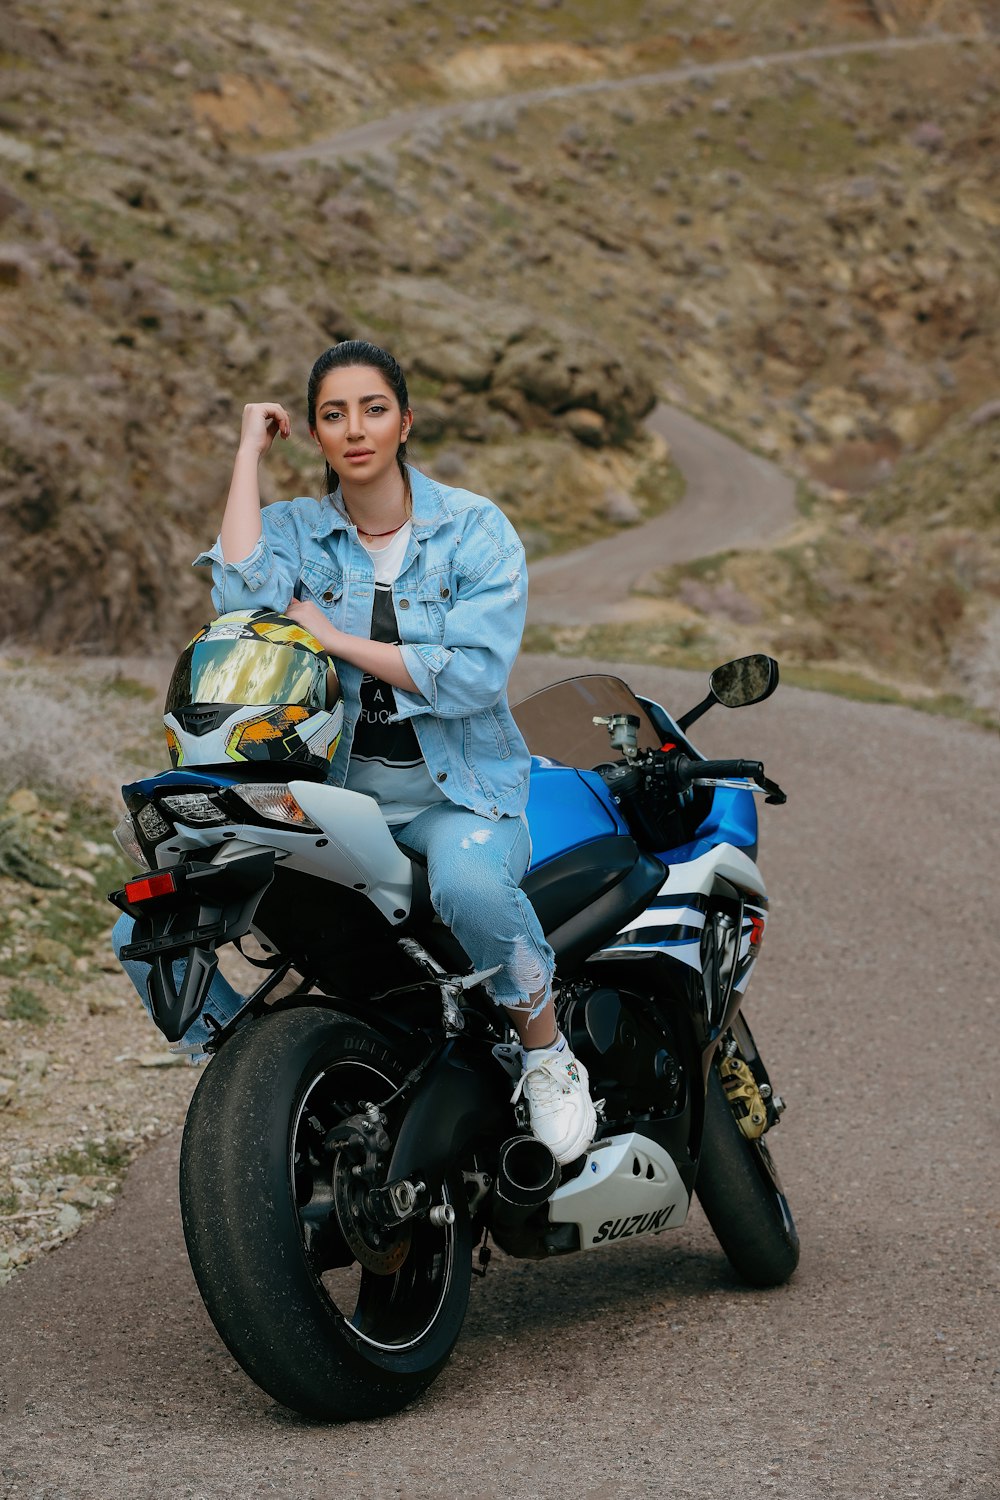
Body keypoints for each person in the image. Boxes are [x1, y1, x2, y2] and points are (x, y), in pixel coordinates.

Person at [117, 339, 597, 1166]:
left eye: (373, 409)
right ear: (315, 432)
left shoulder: (473, 530)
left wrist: (335, 638)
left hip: (458, 796)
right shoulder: (300, 530)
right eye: (333, 415)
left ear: (405, 420)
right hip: (342, 794)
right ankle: (241, 1063)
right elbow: (238, 596)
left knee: (472, 887)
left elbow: (473, 679)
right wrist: (246, 454)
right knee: (165, 894)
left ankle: (548, 1053)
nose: (355, 428)